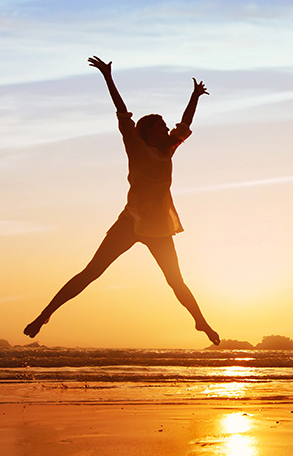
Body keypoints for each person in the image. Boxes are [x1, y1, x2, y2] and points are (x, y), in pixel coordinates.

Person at [24, 56, 219, 345]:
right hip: (130, 222)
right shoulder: (136, 147)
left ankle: (200, 322)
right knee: (92, 272)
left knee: (175, 280)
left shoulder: (168, 150)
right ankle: (45, 314)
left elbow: (185, 124)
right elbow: (122, 112)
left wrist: (194, 97)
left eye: (166, 126)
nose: (166, 129)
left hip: (158, 228)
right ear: (147, 131)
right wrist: (107, 76)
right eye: (160, 125)